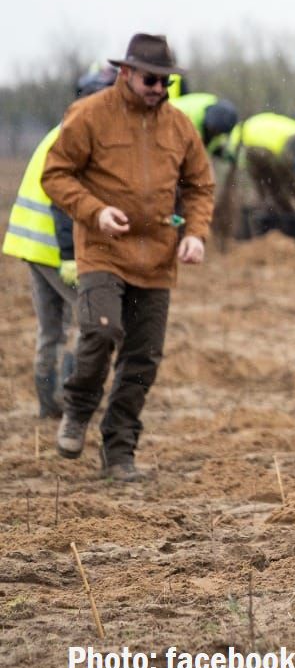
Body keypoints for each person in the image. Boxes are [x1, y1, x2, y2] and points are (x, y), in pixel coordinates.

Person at [42, 35, 215, 481]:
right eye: (151, 80)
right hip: (102, 250)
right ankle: (78, 408)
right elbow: (55, 174)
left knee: (143, 358)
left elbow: (199, 186)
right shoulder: (90, 115)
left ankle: (119, 451)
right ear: (125, 73)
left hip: (158, 258)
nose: (159, 88)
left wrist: (194, 233)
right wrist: (94, 211)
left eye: (166, 82)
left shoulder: (178, 126)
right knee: (101, 332)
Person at [4, 66, 117, 418]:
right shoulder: (80, 136)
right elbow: (63, 202)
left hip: (30, 245)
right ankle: (72, 398)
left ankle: (48, 403)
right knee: (94, 324)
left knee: (52, 328)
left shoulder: (62, 129)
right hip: (55, 249)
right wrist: (70, 255)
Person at [228, 112, 295, 222]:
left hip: (269, 153)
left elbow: (243, 163)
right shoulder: (292, 127)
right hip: (272, 153)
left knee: (275, 185)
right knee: (287, 183)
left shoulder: (238, 134)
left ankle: (286, 212)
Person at [170, 90, 241, 161]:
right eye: (214, 130)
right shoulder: (189, 117)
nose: (215, 134)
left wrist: (221, 152)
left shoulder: (216, 112)